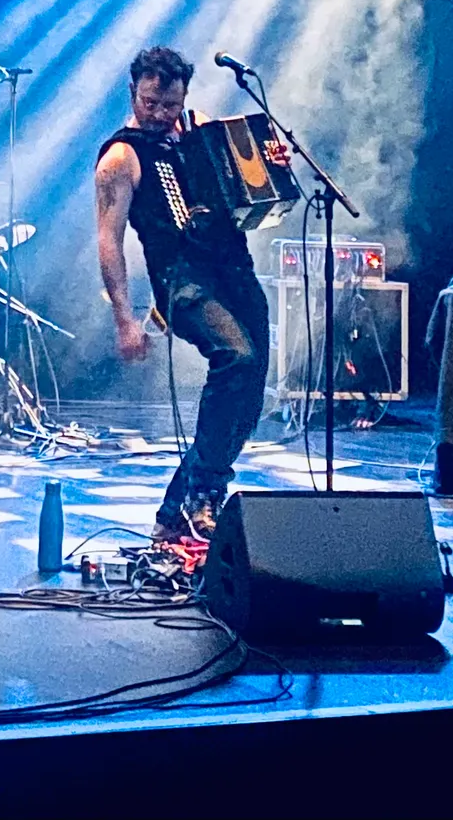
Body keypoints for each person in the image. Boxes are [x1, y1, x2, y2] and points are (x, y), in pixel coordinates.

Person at [94, 45, 275, 543]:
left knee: (248, 400)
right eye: (150, 103)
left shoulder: (200, 131)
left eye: (169, 105)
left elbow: (252, 194)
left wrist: (270, 165)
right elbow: (109, 240)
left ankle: (174, 514)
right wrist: (125, 319)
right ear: (133, 93)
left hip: (234, 269)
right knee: (235, 359)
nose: (159, 114)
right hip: (181, 281)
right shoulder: (120, 157)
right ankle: (204, 493)